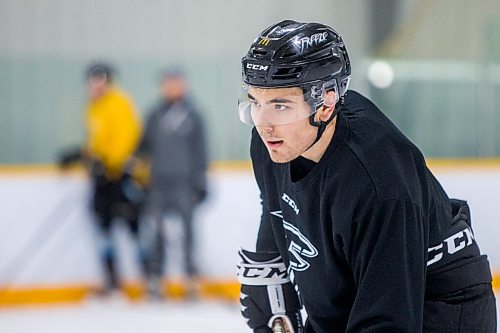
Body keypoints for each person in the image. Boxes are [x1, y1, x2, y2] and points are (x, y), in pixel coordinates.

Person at [236, 20, 496, 332]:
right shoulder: (275, 141)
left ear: (326, 103)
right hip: (359, 288)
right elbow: (276, 202)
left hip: (439, 306)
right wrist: (271, 267)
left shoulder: (378, 178)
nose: (263, 123)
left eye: (280, 105)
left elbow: (389, 319)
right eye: (255, 101)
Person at [61, 63, 146, 296]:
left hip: (121, 177)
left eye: (101, 80)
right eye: (92, 80)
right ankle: (112, 282)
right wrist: (84, 154)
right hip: (102, 179)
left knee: (133, 227)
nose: (96, 85)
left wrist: (108, 162)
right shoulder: (93, 107)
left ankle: (149, 280)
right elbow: (97, 140)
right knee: (103, 227)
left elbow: (127, 137)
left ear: (109, 81)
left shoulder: (119, 102)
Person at [135, 69, 208, 299]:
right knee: (155, 232)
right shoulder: (154, 115)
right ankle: (156, 278)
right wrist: (134, 169)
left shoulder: (193, 115)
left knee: (188, 232)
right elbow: (142, 146)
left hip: (185, 183)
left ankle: (191, 278)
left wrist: (201, 180)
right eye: (168, 83)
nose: (172, 87)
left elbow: (201, 151)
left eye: (176, 83)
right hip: (158, 183)